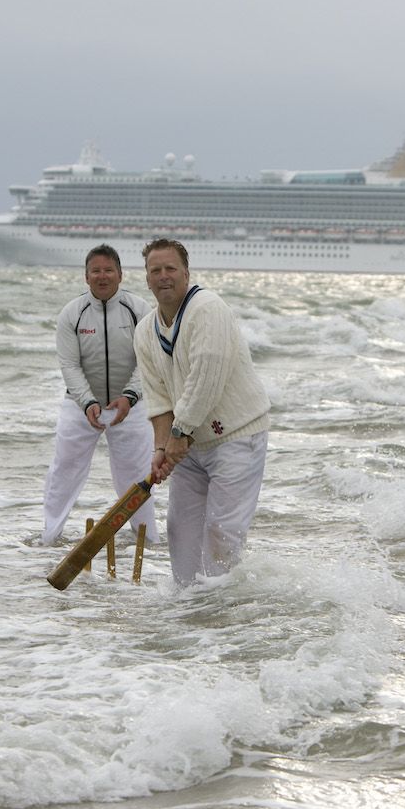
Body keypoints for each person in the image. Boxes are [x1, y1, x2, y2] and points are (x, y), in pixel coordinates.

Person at [133, 238, 270, 585]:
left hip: (236, 436)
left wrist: (181, 434)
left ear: (186, 273)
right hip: (189, 444)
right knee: (180, 531)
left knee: (222, 533)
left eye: (170, 269)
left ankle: (218, 611)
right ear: (147, 278)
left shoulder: (207, 307)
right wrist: (162, 448)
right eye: (155, 270)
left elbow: (207, 376)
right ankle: (187, 608)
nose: (163, 276)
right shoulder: (145, 330)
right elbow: (158, 398)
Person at [42, 244, 158, 545]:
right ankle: (49, 538)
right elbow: (69, 363)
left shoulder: (140, 309)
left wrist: (130, 397)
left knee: (137, 477)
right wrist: (87, 402)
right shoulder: (72, 313)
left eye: (108, 270)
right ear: (86, 277)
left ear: (120, 274)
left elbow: (148, 361)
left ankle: (147, 541)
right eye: (96, 271)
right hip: (80, 407)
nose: (102, 276)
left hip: (130, 407)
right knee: (63, 472)